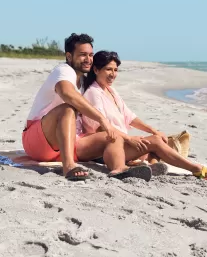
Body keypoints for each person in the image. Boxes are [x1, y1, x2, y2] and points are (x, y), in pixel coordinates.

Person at [22, 34, 152, 181]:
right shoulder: (63, 70)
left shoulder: (84, 81)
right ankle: (69, 166)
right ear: (69, 56)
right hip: (37, 141)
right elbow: (67, 93)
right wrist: (101, 119)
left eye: (90, 55)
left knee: (112, 136)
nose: (88, 59)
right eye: (83, 55)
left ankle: (120, 168)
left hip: (67, 144)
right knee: (68, 108)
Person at [81, 50, 207, 181]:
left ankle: (152, 166)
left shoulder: (110, 91)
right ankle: (196, 169)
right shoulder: (93, 93)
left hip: (121, 142)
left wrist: (152, 130)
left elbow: (129, 116)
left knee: (156, 141)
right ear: (96, 69)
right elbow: (101, 128)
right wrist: (130, 139)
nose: (113, 74)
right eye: (108, 69)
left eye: (115, 70)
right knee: (155, 142)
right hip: (106, 149)